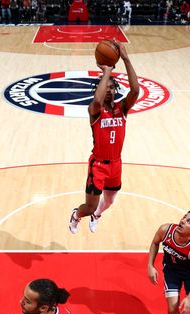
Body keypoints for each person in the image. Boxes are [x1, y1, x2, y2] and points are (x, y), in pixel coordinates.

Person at [69, 40, 139, 234]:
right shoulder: (95, 110)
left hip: (116, 164)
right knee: (88, 206)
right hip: (98, 165)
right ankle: (76, 215)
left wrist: (125, 58)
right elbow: (98, 100)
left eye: (111, 87)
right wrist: (106, 72)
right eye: (105, 86)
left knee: (109, 201)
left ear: (116, 89)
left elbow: (135, 91)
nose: (108, 90)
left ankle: (97, 216)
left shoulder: (122, 108)